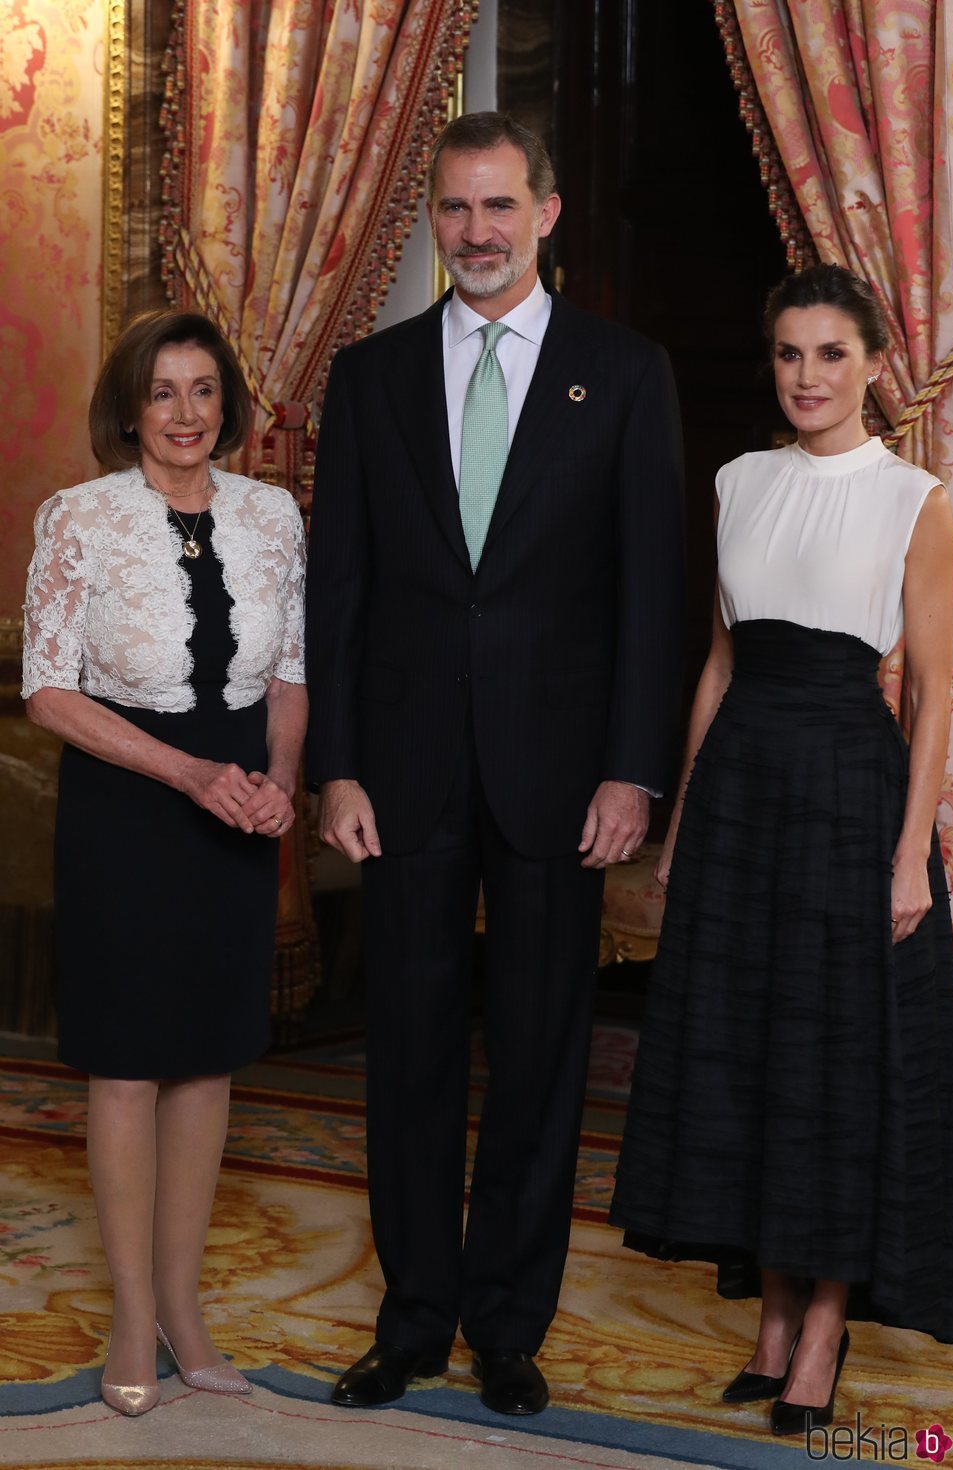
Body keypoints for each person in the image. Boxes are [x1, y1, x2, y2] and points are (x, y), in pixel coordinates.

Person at [305, 111, 684, 1415]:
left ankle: (509, 1321)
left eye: (499, 207)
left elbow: (654, 592)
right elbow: (337, 588)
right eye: (456, 210)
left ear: (549, 211)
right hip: (401, 771)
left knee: (539, 1053)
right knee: (405, 1049)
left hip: (559, 772)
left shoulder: (625, 373)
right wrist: (337, 766)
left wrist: (633, 768)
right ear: (436, 218)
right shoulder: (372, 376)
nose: (475, 232)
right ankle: (411, 1315)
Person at [611, 263, 953, 1437]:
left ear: (874, 363)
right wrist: (678, 822)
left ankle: (822, 1323)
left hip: (847, 793)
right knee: (746, 1048)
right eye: (786, 354)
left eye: (829, 354)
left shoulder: (915, 498)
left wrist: (909, 850)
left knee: (835, 1061)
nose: (806, 376)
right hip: (739, 800)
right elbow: (716, 665)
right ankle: (768, 1311)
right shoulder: (736, 480)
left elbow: (928, 694)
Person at [21, 309, 308, 1416]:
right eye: (163, 392)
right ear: (129, 409)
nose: (185, 414)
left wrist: (280, 776)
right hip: (128, 804)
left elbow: (291, 667)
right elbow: (49, 689)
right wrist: (188, 776)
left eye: (202, 391)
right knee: (131, 1061)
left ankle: (186, 1311)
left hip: (239, 800)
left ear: (225, 405)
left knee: (210, 1057)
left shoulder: (273, 513)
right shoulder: (80, 517)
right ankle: (130, 1313)